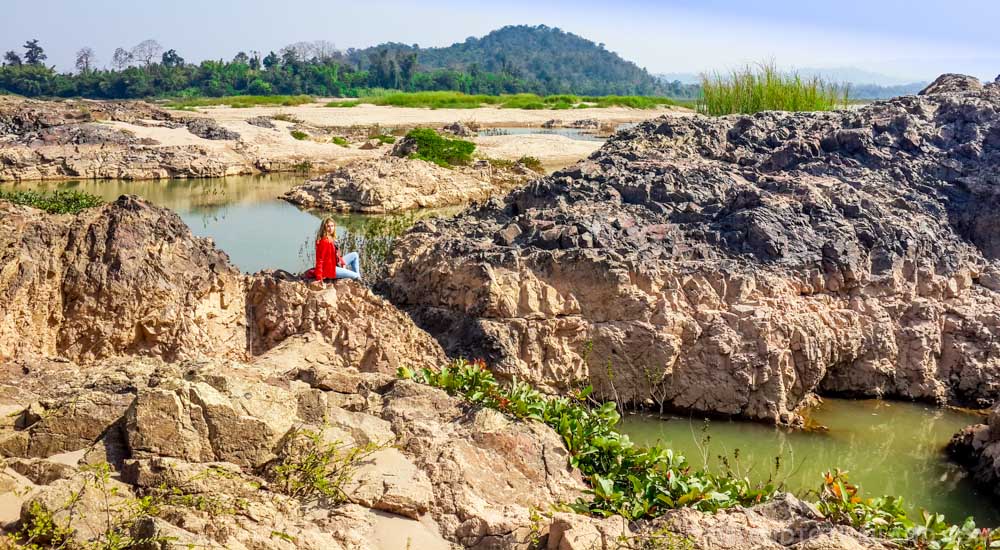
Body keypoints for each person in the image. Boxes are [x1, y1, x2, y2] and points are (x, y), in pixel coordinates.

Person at [310, 217, 360, 287]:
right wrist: (319, 278)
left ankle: (357, 281)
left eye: (332, 226)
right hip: (330, 270)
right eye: (328, 226)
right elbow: (320, 260)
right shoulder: (325, 241)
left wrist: (342, 263)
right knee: (356, 275)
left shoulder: (332, 238)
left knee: (355, 255)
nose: (331, 228)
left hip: (336, 264)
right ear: (324, 228)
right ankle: (358, 280)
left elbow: (337, 255)